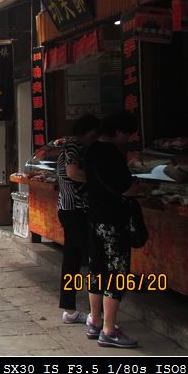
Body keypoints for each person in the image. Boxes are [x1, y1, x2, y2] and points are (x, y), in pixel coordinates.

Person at [85, 110, 139, 349]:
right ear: (117, 132)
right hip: (113, 221)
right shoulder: (112, 154)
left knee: (97, 270)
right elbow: (126, 189)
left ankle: (95, 321)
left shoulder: (92, 150)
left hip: (94, 219)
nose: (127, 139)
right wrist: (141, 189)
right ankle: (109, 330)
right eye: (126, 134)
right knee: (117, 273)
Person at [56, 113, 100, 325]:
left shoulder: (69, 145)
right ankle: (97, 314)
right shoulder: (74, 146)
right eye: (92, 135)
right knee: (94, 258)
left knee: (72, 261)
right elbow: (73, 173)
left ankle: (70, 309)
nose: (93, 140)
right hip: (75, 210)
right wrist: (100, 180)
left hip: (68, 209)